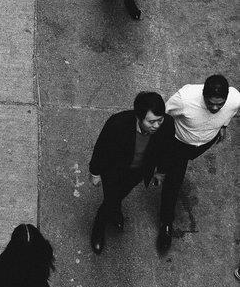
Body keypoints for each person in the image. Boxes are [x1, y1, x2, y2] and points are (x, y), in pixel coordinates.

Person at [159, 75, 240, 252]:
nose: (215, 108)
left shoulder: (234, 99)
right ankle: (166, 223)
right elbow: (162, 115)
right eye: (211, 103)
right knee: (174, 182)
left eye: (220, 104)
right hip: (179, 144)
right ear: (203, 94)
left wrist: (224, 125)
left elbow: (232, 110)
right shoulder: (184, 98)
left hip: (204, 143)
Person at [89, 92, 175, 254]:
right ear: (138, 117)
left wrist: (160, 171)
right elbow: (101, 149)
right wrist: (95, 172)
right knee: (110, 199)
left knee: (120, 194)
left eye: (160, 120)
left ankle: (115, 210)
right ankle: (99, 228)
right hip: (114, 170)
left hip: (139, 171)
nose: (157, 125)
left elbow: (166, 150)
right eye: (151, 122)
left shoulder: (168, 124)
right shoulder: (117, 124)